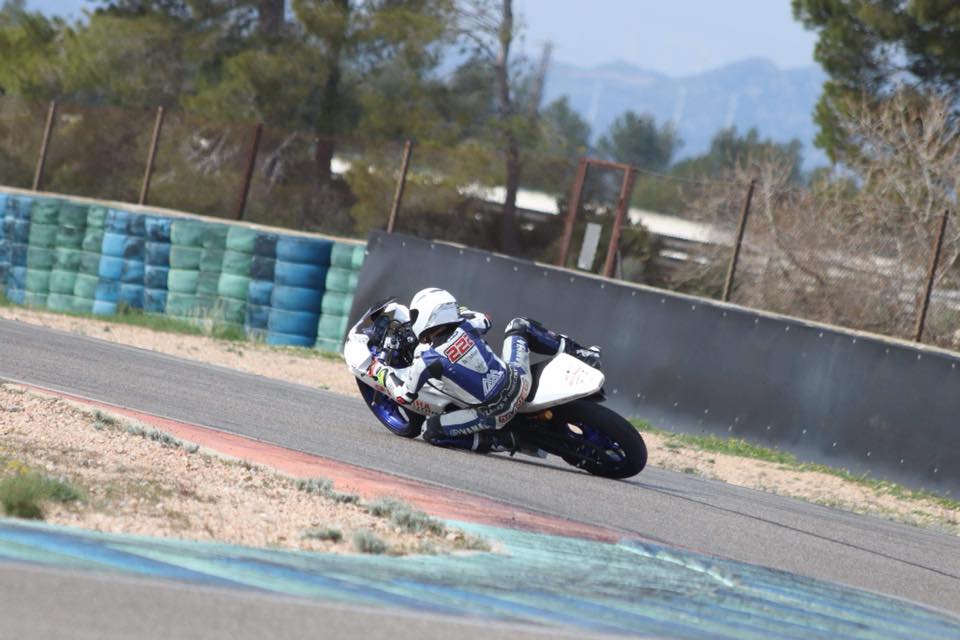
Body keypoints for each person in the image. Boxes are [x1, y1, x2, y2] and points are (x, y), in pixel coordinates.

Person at [366, 287, 600, 453]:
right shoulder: (468, 325)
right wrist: (463, 312)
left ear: (427, 317)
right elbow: (486, 320)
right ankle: (581, 353)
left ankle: (502, 441)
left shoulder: (427, 361)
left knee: (431, 430)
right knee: (519, 325)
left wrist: (382, 372)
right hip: (519, 381)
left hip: (494, 414)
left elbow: (404, 396)